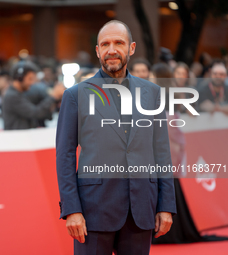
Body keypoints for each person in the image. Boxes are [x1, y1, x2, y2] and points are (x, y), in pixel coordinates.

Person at [56, 20, 176, 255]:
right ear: (98, 50)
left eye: (118, 43)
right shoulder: (75, 96)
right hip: (92, 211)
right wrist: (72, 210)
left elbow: (162, 151)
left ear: (131, 48)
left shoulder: (152, 93)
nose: (112, 50)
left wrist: (166, 205)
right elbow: (65, 155)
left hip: (141, 209)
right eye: (105, 44)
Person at [2, 61, 65, 130]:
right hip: (17, 139)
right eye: (30, 79)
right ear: (20, 77)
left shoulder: (18, 94)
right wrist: (53, 96)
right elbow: (35, 113)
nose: (32, 83)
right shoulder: (12, 96)